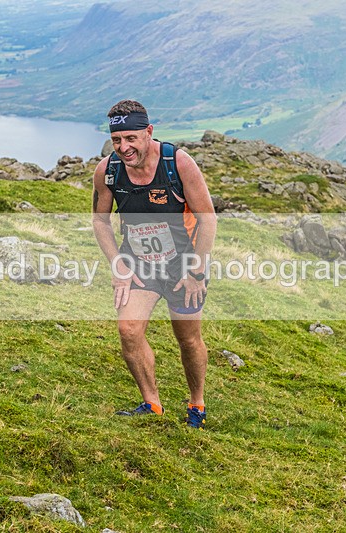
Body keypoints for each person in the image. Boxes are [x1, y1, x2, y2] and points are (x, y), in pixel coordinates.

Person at [92, 100, 217, 429]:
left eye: (131, 138)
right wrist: (118, 265)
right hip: (139, 265)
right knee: (128, 331)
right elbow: (100, 221)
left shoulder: (178, 163)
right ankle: (152, 403)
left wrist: (196, 271)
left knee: (188, 339)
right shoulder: (108, 170)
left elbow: (208, 219)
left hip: (182, 266)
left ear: (148, 132)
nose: (124, 147)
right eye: (117, 140)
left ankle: (197, 404)